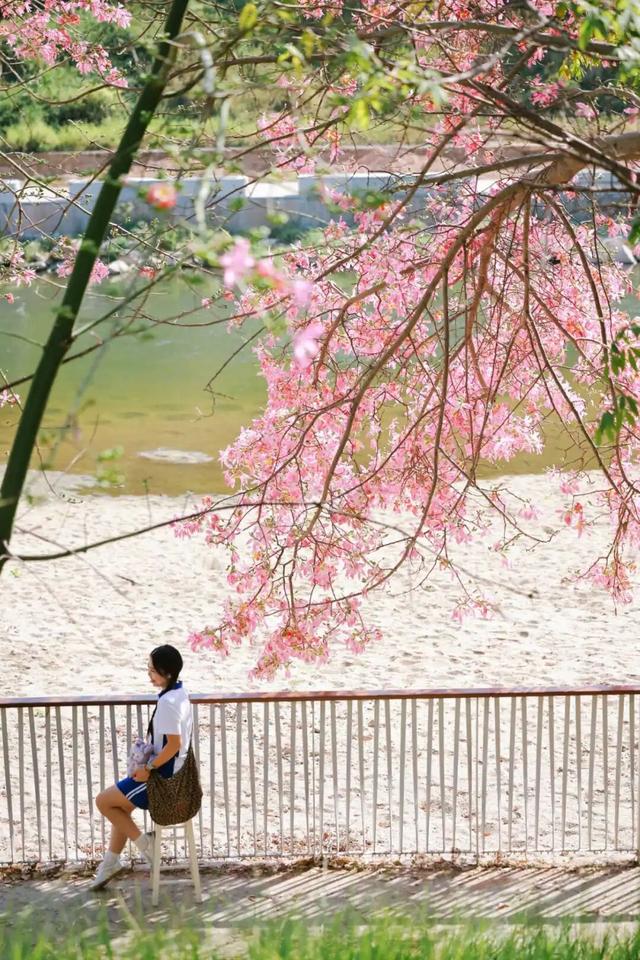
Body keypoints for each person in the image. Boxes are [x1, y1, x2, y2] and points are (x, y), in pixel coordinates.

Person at [91, 644, 193, 891]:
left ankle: (146, 845)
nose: (149, 673)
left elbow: (173, 745)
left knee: (104, 802)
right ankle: (110, 863)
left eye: (152, 670)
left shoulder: (168, 702)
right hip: (175, 775)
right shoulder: (180, 692)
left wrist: (148, 768)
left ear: (166, 673)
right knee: (120, 808)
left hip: (162, 780)